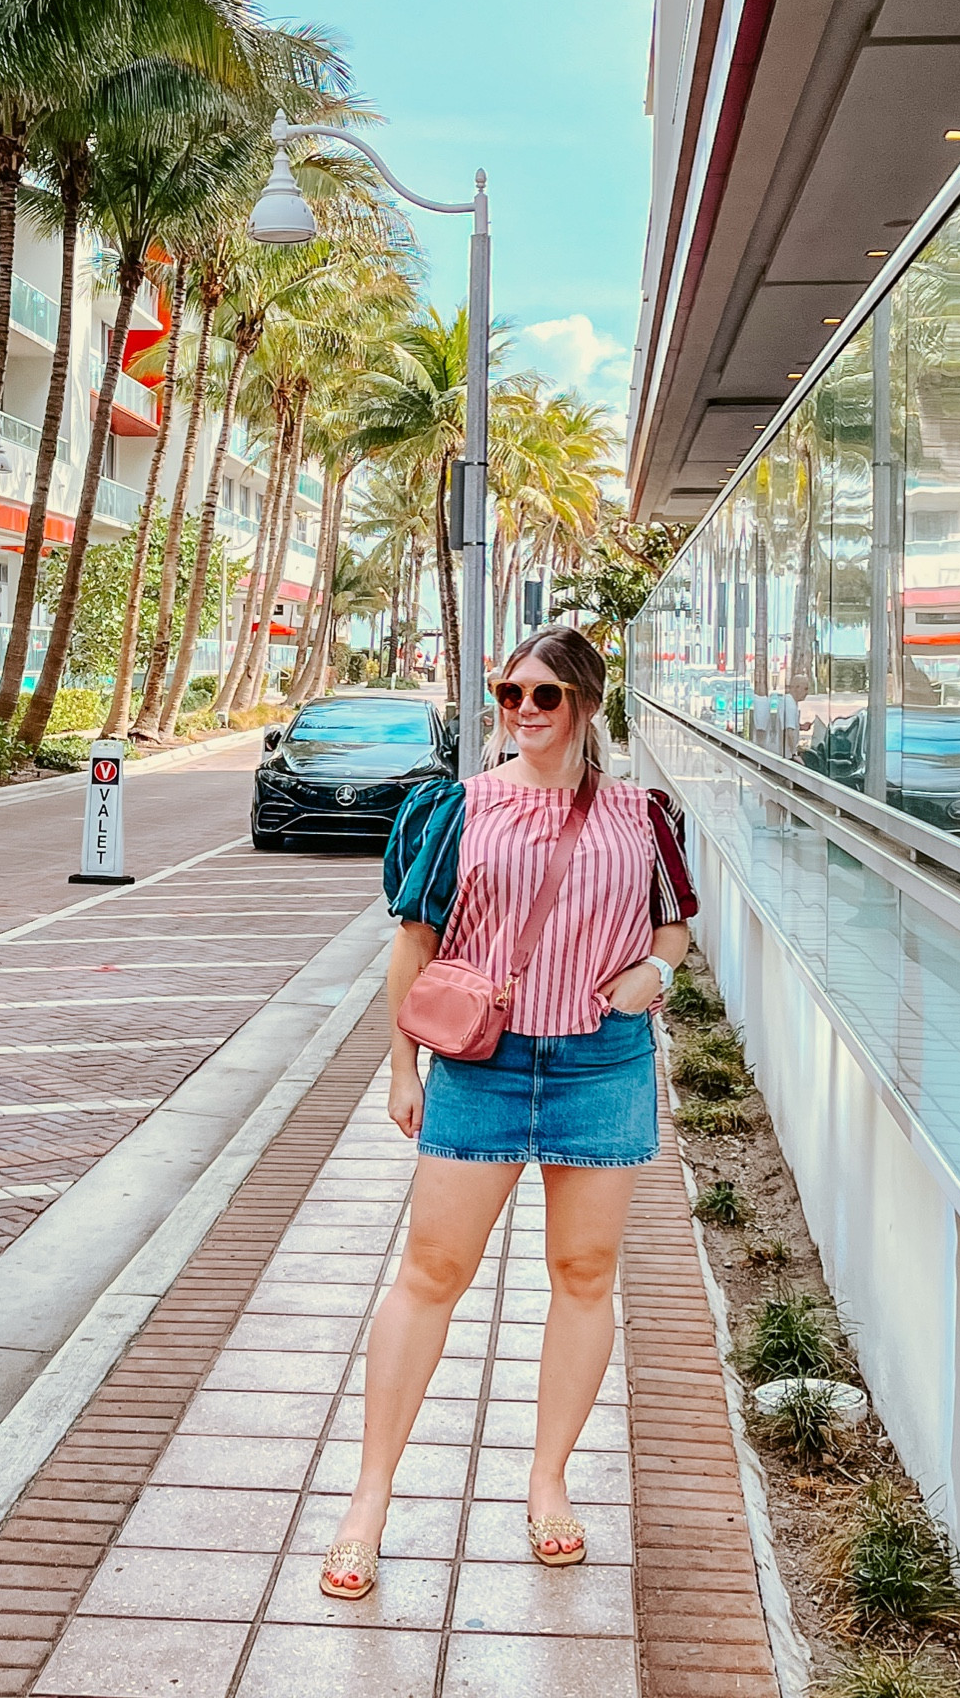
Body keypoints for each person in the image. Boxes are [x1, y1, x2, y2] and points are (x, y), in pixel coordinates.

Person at [321, 624, 697, 1598]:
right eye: (509, 693)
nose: (524, 711)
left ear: (585, 704)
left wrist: (651, 973)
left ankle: (546, 1481)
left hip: (601, 1064)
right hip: (482, 1066)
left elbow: (675, 924)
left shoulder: (644, 813)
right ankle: (367, 1499)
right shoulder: (456, 808)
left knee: (582, 1274)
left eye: (546, 696)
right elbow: (414, 943)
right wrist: (401, 1067)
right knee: (430, 1273)